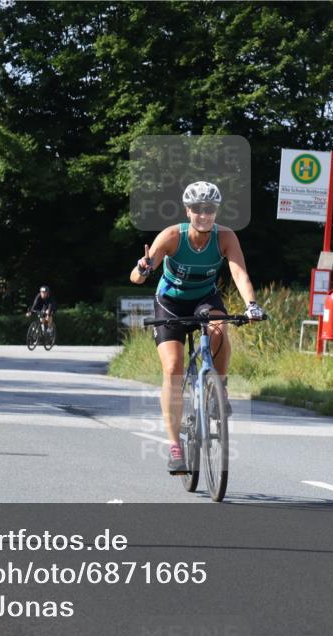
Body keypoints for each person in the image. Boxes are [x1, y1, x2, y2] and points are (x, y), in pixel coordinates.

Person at [130, 181, 265, 475]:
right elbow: (137, 277)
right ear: (188, 211)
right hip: (170, 304)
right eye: (198, 209)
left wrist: (251, 304)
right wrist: (142, 268)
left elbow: (240, 274)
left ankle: (219, 388)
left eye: (210, 209)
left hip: (205, 299)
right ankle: (175, 446)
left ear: (216, 211)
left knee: (220, 328)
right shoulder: (171, 237)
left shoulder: (225, 237)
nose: (204, 215)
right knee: (173, 368)